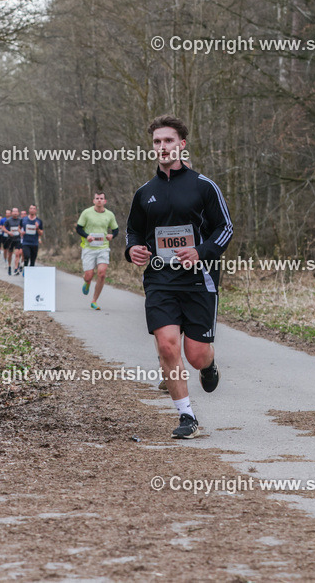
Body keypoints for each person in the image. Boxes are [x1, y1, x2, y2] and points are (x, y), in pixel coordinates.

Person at [125, 115, 232, 439]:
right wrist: (132, 250)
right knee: (167, 345)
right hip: (160, 280)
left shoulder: (203, 186)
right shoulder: (145, 193)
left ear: (181, 144)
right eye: (157, 142)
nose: (162, 147)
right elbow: (133, 231)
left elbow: (224, 228)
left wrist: (202, 251)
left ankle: (209, 365)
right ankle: (187, 417)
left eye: (168, 141)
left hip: (200, 280)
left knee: (195, 355)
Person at [77, 192, 119, 310]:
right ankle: (87, 282)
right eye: (97, 198)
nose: (99, 200)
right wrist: (87, 236)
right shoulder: (86, 213)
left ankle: (94, 300)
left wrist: (112, 236)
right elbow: (78, 228)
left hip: (103, 248)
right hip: (89, 248)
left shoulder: (109, 214)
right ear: (93, 200)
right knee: (89, 275)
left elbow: (116, 230)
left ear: (105, 201)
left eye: (101, 198)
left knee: (102, 273)